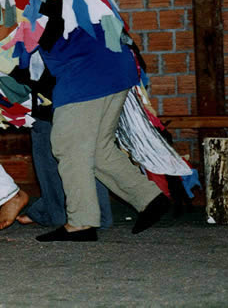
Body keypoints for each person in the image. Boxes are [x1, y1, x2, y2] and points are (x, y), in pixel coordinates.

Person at [34, 21, 169, 242]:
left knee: (68, 145)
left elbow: (19, 36)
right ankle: (149, 198)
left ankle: (81, 223)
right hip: (115, 64)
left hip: (85, 72)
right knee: (99, 148)